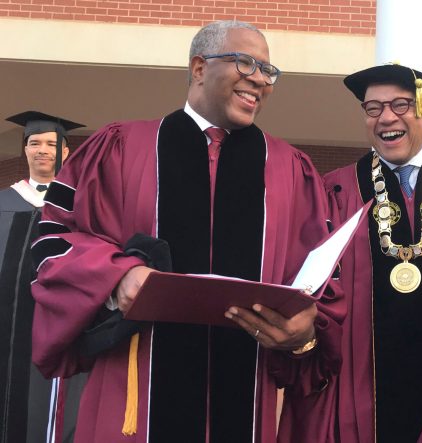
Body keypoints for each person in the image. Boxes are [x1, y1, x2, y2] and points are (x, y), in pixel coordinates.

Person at [29, 20, 343, 442]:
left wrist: (306, 330)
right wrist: (115, 275)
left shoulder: (291, 169)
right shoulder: (120, 148)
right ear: (199, 68)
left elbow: (321, 280)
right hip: (136, 398)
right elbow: (54, 238)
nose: (260, 80)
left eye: (268, 72)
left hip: (244, 398)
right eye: (245, 63)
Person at [275, 63, 422, 443]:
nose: (386, 118)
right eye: (373, 108)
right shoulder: (334, 192)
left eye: (401, 105)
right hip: (362, 385)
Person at [0, 111, 85, 443]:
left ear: (65, 151)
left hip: (53, 321)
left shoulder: (78, 205)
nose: (43, 150)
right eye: (34, 143)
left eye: (51, 143)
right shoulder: (5, 200)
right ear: (25, 150)